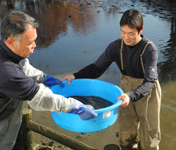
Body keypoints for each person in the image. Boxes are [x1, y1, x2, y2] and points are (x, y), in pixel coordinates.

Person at [62, 9, 161, 150]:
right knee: (126, 131)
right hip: (124, 90)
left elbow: (150, 81)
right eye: (123, 32)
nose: (126, 37)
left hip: (147, 91)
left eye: (131, 33)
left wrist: (130, 95)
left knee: (149, 134)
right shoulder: (116, 47)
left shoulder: (149, 49)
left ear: (141, 30)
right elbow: (96, 69)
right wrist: (75, 76)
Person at [0, 10, 97, 150]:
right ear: (11, 41)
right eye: (31, 42)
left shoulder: (7, 49)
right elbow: (41, 98)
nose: (35, 45)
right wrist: (75, 106)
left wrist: (45, 78)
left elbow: (24, 67)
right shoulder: (8, 73)